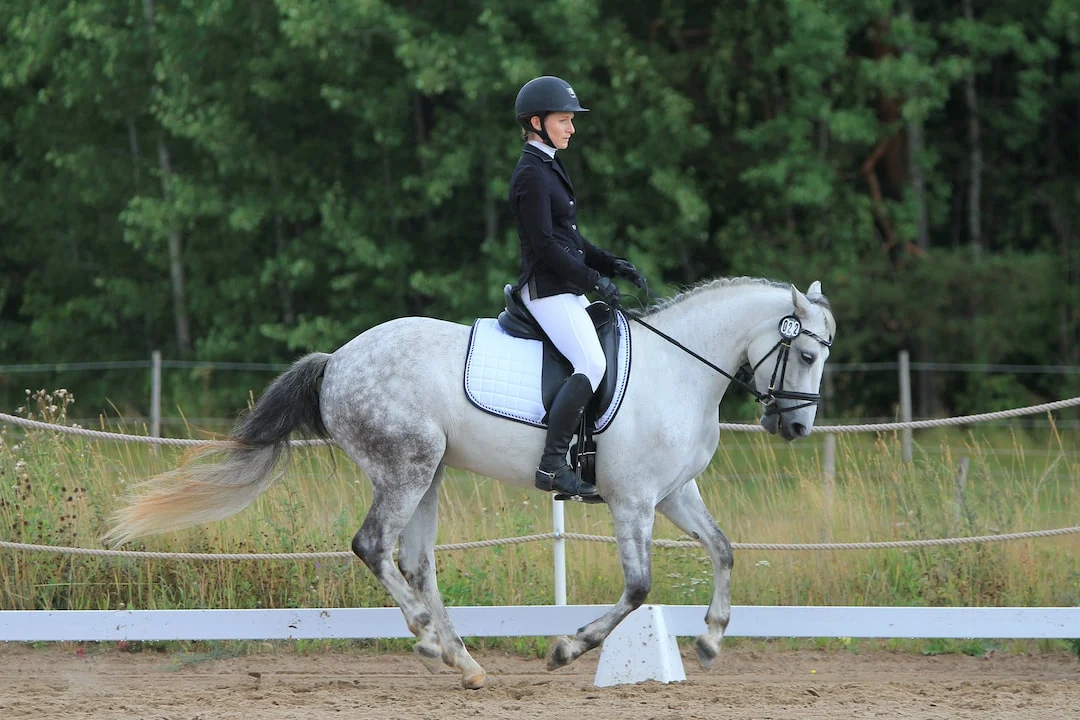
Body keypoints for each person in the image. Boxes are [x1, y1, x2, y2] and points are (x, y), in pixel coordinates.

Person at [508, 75, 647, 500]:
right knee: (592, 362)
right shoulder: (531, 173)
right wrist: (593, 281)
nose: (571, 128)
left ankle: (587, 454)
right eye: (564, 120)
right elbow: (546, 246)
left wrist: (610, 263)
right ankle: (552, 464)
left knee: (606, 353)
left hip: (564, 285)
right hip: (547, 289)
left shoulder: (549, 164)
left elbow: (571, 237)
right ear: (537, 121)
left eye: (571, 120)